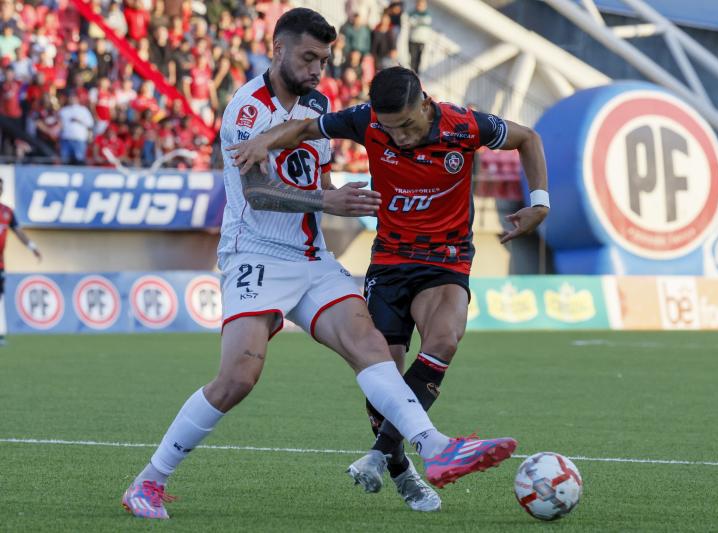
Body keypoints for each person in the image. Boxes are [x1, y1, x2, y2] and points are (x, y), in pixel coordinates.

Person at [121, 9, 516, 520]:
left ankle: (433, 447)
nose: (317, 69)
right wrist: (326, 204)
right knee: (238, 377)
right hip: (255, 255)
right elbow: (259, 192)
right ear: (278, 50)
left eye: (324, 60)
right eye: (309, 57)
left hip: (311, 258)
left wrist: (335, 195)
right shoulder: (247, 110)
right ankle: (148, 483)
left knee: (369, 346)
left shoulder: (317, 104)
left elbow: (314, 181)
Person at [228, 66, 550, 512]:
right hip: (391, 260)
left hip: (446, 259)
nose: (397, 137)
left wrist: (539, 202)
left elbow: (528, 138)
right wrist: (264, 140)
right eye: (388, 128)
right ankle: (400, 466)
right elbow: (304, 127)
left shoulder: (466, 126)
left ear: (424, 101)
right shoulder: (368, 121)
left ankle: (382, 454)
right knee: (383, 375)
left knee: (444, 339)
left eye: (405, 126)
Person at [0, 176, 43, 347]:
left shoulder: (7, 212)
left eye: (1, 186)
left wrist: (32, 246)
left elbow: (18, 231)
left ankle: (1, 334)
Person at [408, 0, 433, 73]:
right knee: (413, 58)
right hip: (413, 39)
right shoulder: (412, 13)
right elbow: (411, 22)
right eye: (419, 4)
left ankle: (416, 75)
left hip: (422, 40)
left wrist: (418, 22)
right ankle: (411, 73)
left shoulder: (427, 15)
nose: (420, 6)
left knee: (419, 59)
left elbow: (427, 22)